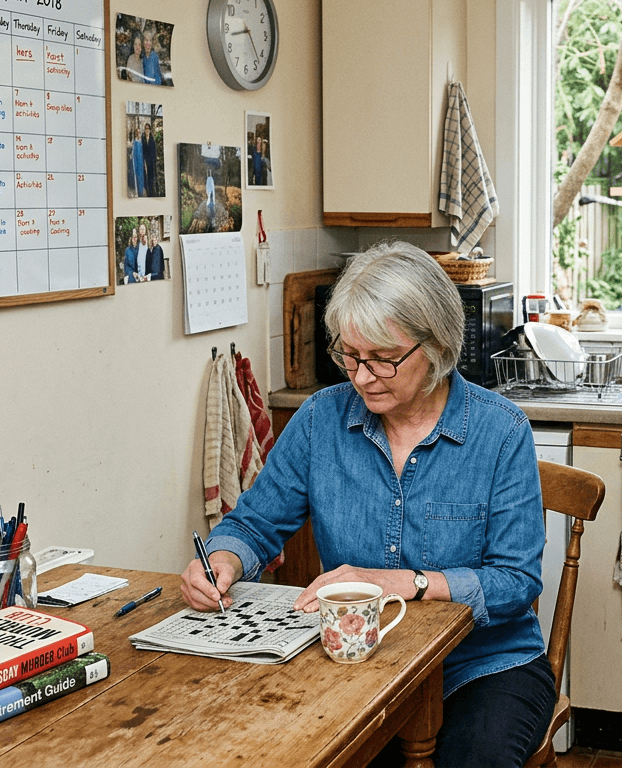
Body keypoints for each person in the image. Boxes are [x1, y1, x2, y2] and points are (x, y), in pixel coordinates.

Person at [179, 241, 556, 766]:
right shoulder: (319, 420)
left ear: (438, 346)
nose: (360, 377)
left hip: (484, 666)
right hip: (356, 660)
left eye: (382, 359)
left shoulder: (501, 431)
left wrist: (399, 582)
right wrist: (223, 558)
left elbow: (516, 582)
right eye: (350, 356)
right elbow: (255, 522)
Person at [143, 122, 158, 197]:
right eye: (146, 129)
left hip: (151, 161)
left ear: (150, 130)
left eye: (148, 129)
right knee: (146, 176)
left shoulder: (152, 139)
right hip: (145, 160)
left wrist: (154, 159)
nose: (147, 130)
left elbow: (154, 150)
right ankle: (147, 191)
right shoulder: (143, 139)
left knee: (151, 176)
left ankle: (152, 192)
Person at [131, 125, 146, 197]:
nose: (138, 134)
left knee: (142, 177)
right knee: (137, 177)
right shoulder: (135, 143)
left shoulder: (141, 142)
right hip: (137, 163)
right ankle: (138, 192)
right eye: (137, 133)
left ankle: (141, 191)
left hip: (141, 163)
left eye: (139, 133)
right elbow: (133, 154)